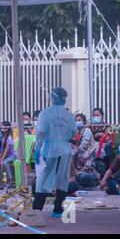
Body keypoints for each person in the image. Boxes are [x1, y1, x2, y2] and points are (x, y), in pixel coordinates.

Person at [32, 87, 77, 218]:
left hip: (50, 148)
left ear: (52, 98)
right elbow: (74, 132)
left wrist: (37, 150)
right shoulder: (69, 115)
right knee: (63, 179)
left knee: (45, 177)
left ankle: (37, 208)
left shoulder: (45, 113)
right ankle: (58, 209)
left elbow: (41, 133)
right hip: (65, 148)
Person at [71, 113, 100, 188]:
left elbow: (83, 146)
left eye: (79, 120)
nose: (77, 122)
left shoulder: (86, 130)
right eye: (75, 120)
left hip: (86, 164)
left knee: (83, 177)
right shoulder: (75, 132)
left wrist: (73, 151)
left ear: (83, 122)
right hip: (77, 164)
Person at [90, 108, 115, 177]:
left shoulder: (106, 126)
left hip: (104, 148)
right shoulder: (90, 126)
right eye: (94, 115)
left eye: (97, 115)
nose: (95, 117)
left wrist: (100, 135)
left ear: (102, 116)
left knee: (107, 146)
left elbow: (107, 138)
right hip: (93, 148)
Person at [0, 121, 17, 187]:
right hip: (7, 156)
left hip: (13, 156)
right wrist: (0, 156)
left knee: (5, 162)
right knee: (1, 162)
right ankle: (2, 180)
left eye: (2, 126)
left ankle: (10, 179)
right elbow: (3, 149)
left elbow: (6, 150)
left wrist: (2, 159)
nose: (1, 128)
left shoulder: (9, 138)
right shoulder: (3, 137)